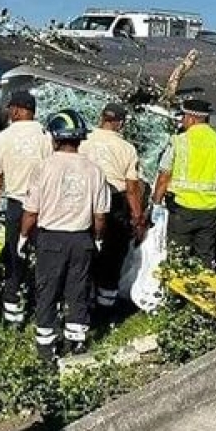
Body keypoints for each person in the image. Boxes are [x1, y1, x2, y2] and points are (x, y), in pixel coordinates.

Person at [20, 109, 110, 361]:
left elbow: (31, 211)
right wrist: (98, 238)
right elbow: (100, 215)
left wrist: (24, 236)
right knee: (78, 290)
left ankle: (46, 346)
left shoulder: (44, 167)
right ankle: (77, 340)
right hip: (82, 238)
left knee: (47, 290)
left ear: (55, 138)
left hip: (51, 239)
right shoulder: (95, 170)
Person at [0, 89, 53, 326]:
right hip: (44, 207)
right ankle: (46, 310)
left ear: (16, 109)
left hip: (16, 206)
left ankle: (13, 314)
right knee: (44, 259)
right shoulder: (46, 136)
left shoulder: (3, 138)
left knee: (15, 259)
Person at [151, 98, 216, 268]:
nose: (182, 121)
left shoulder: (179, 141)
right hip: (211, 211)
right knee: (204, 257)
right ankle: (200, 291)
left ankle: (175, 294)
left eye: (183, 117)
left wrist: (156, 203)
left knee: (177, 256)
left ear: (191, 118)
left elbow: (163, 177)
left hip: (182, 209)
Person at [80, 101, 145, 314]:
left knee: (85, 252)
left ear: (101, 118)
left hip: (85, 199)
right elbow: (132, 188)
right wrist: (138, 218)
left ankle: (83, 299)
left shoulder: (84, 141)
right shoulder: (127, 149)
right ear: (121, 123)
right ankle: (105, 307)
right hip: (114, 201)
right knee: (113, 254)